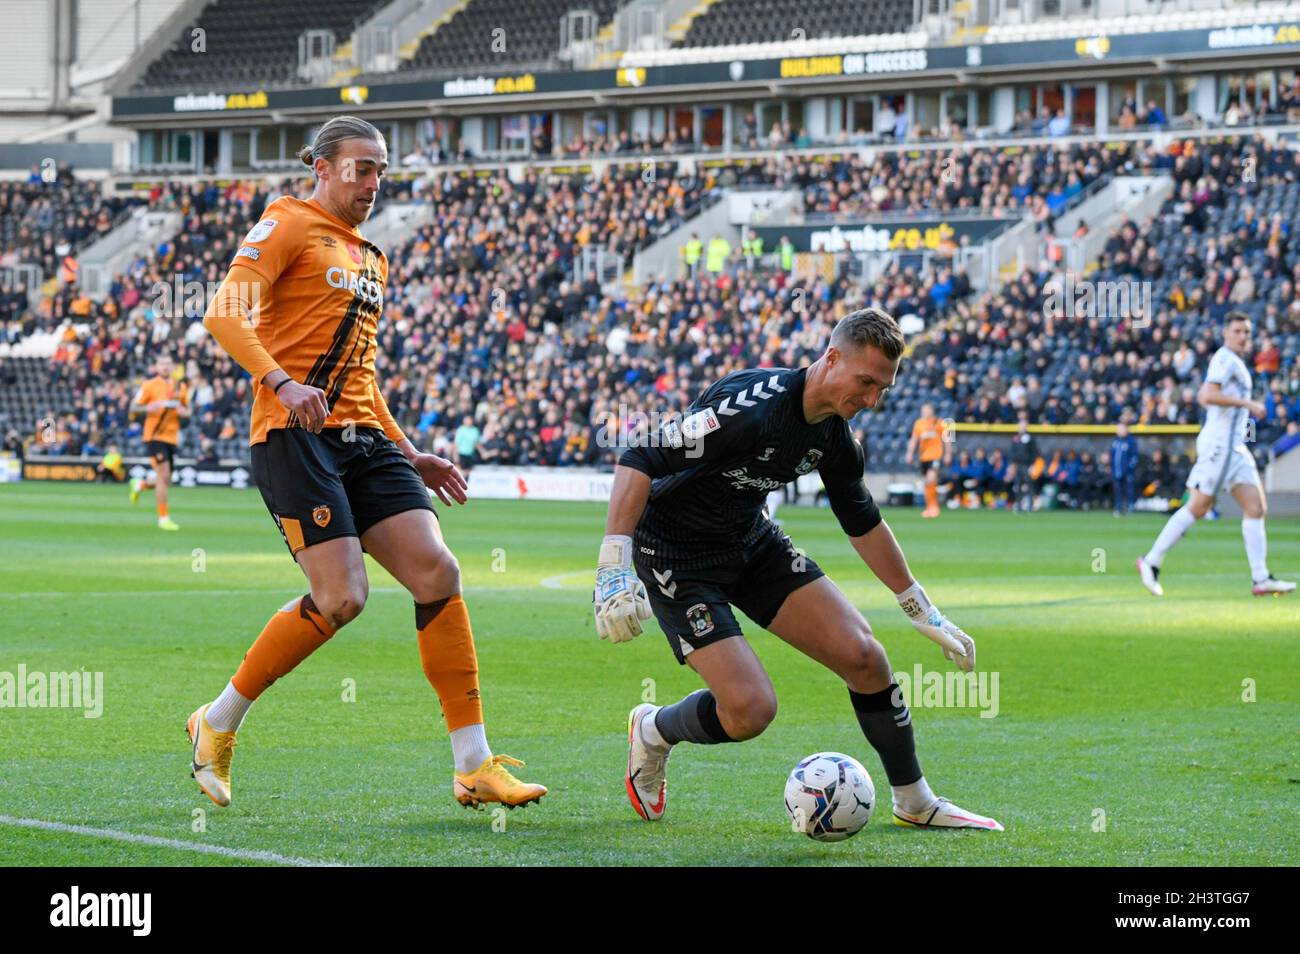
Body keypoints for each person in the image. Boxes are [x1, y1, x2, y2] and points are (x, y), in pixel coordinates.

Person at [194, 115, 546, 811]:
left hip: (363, 434)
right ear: (321, 168)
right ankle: (218, 720)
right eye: (361, 168)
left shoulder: (373, 258)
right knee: (343, 597)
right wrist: (282, 383)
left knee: (437, 570)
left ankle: (473, 765)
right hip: (293, 432)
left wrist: (411, 451)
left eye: (381, 170)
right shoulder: (287, 222)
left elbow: (362, 378)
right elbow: (224, 315)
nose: (373, 182)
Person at [594, 308, 1002, 831]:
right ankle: (654, 730)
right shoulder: (751, 407)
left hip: (749, 540)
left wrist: (922, 609)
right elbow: (643, 452)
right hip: (675, 554)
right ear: (832, 358)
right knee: (750, 711)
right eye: (866, 381)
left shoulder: (835, 437)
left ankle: (916, 801)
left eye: (883, 388)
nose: (872, 399)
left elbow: (861, 519)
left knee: (865, 657)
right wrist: (612, 567)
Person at [1138, 312, 1294, 596]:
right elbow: (1206, 396)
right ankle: (1152, 561)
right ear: (1225, 333)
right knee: (1199, 506)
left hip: (1234, 447)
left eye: (1246, 332)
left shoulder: (1236, 362)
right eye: (1237, 331)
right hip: (1220, 447)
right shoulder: (1223, 359)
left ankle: (1260, 578)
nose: (1243, 336)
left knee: (1255, 507)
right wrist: (1247, 403)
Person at [129, 354, 189, 530]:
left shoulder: (181, 387)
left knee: (166, 479)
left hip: (171, 437)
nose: (165, 366)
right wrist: (149, 407)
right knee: (163, 474)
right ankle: (163, 518)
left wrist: (183, 411)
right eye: (162, 363)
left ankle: (140, 484)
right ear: (156, 366)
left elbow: (188, 410)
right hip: (154, 436)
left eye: (168, 364)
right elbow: (133, 407)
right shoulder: (149, 385)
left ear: (172, 367)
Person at [904, 402, 949, 518]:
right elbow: (914, 440)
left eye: (926, 410)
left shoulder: (939, 423)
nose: (924, 412)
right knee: (926, 483)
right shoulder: (919, 424)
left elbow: (947, 440)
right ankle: (929, 507)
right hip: (923, 457)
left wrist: (948, 454)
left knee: (931, 479)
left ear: (931, 411)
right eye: (923, 410)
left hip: (936, 456)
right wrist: (909, 453)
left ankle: (934, 507)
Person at [1110, 421, 1139, 515]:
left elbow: (1134, 457)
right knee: (1117, 490)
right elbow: (1112, 456)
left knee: (1128, 489)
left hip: (1127, 472)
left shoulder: (1131, 441)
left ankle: (1129, 506)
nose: (1119, 431)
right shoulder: (1115, 441)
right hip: (1116, 471)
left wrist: (1129, 468)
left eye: (1121, 429)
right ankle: (1118, 507)